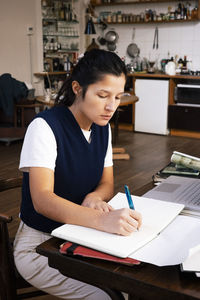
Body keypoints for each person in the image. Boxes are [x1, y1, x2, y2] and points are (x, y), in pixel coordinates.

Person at [14, 49, 142, 300]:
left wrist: (95, 196)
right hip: (40, 245)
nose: (111, 106)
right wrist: (102, 221)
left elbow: (107, 183)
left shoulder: (101, 128)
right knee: (106, 296)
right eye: (102, 95)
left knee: (131, 286)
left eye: (117, 97)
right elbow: (42, 199)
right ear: (77, 88)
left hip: (81, 234)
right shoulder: (45, 127)